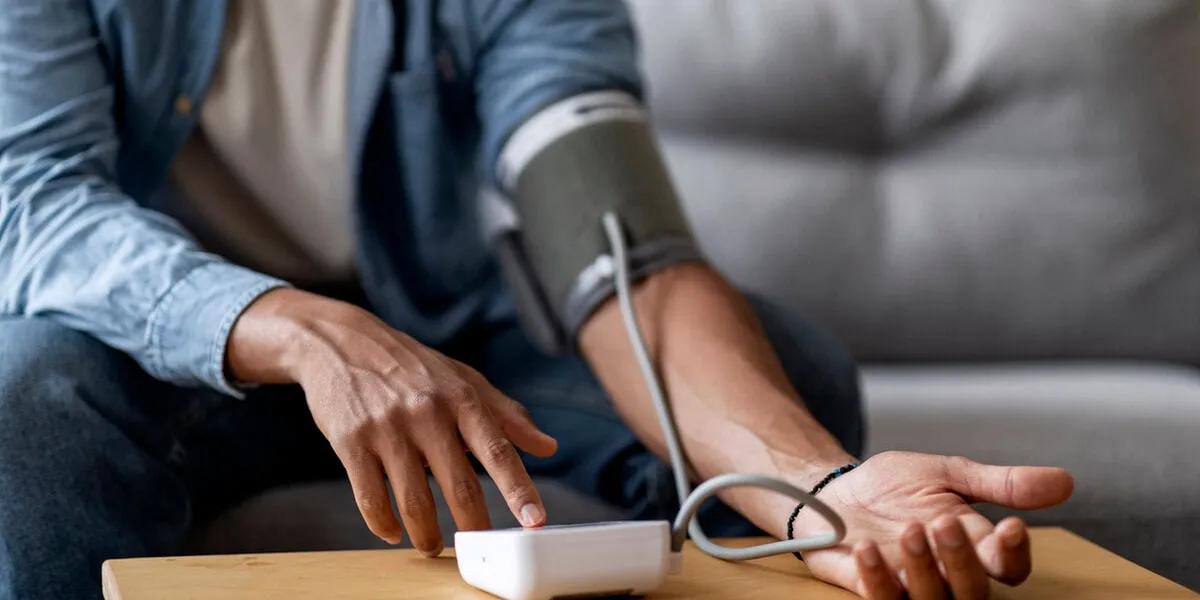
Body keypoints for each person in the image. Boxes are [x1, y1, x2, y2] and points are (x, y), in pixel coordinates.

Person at [0, 1, 1074, 599]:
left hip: (436, 333)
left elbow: (621, 254)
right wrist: (295, 330)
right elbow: (34, 199)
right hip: (150, 355)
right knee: (23, 406)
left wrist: (816, 483)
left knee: (792, 366)